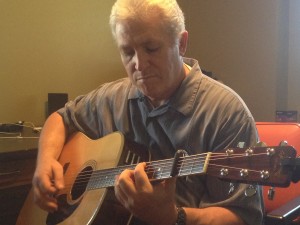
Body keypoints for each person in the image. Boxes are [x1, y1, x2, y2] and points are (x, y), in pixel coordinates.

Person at [32, 0, 264, 224]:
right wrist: (45, 161)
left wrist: (173, 218)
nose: (139, 64)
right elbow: (61, 118)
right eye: (127, 52)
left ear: (181, 43)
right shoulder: (112, 97)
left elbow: (243, 218)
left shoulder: (227, 114)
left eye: (151, 48)